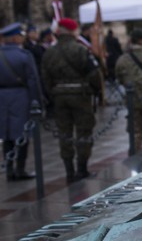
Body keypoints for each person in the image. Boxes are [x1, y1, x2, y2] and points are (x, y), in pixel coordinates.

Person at [41, 18, 102, 182]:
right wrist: (96, 90)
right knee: (83, 131)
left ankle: (69, 171)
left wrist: (53, 93)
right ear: (73, 31)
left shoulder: (49, 52)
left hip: (59, 97)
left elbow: (45, 78)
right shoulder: (80, 50)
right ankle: (82, 169)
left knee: (64, 133)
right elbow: (94, 74)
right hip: (80, 96)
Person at [0, 23, 42, 180]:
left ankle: (9, 169)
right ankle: (20, 169)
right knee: (22, 135)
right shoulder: (24, 56)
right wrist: (36, 103)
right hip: (21, 96)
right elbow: (33, 81)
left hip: (2, 97)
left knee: (7, 136)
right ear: (16, 37)